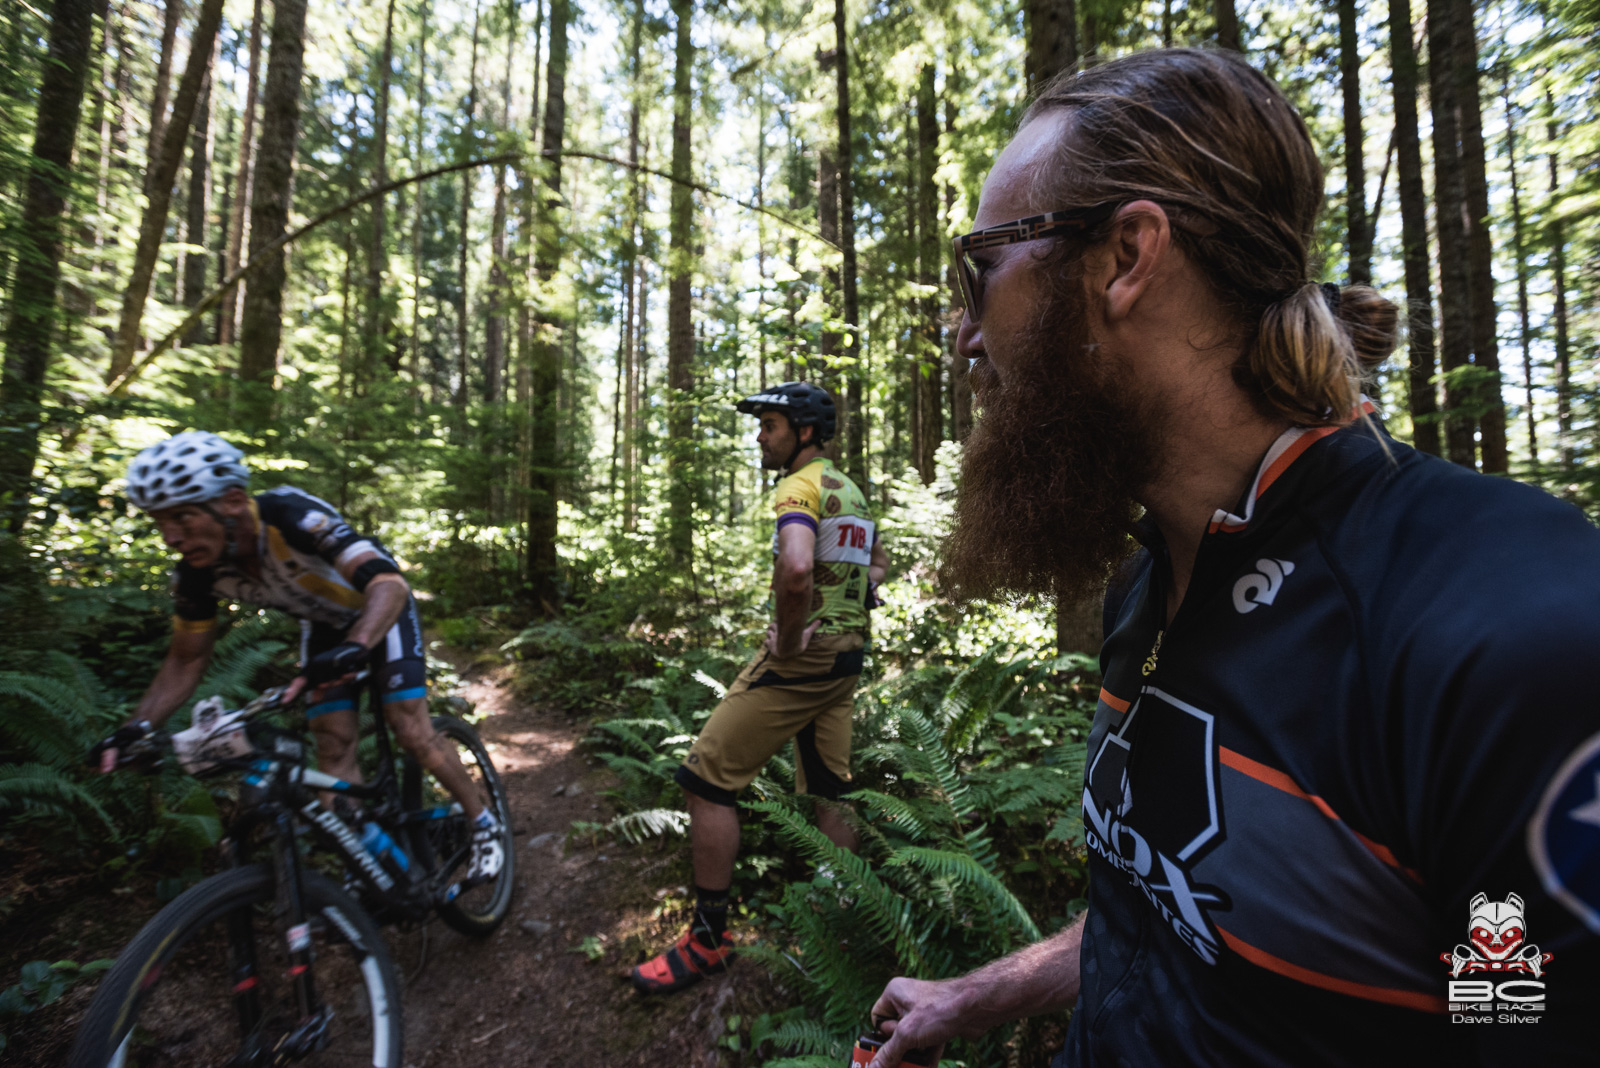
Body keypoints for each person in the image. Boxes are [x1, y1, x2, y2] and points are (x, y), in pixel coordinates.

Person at [867, 48, 1598, 1066]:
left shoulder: (1501, 630)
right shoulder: (1155, 576)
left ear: (1126, 258)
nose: (964, 333)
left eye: (981, 267)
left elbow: (1513, 1016)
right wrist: (980, 993)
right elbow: (1183, 901)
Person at [92, 431, 504, 883]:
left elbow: (387, 584)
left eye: (183, 519)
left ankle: (483, 822)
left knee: (410, 729)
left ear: (232, 501)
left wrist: (357, 645)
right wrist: (136, 727)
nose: (171, 537)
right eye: (160, 523)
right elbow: (185, 660)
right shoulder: (199, 571)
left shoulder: (292, 517)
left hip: (380, 612)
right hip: (326, 627)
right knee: (332, 747)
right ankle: (368, 865)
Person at [631, 382, 889, 995]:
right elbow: (878, 562)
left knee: (704, 780)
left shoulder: (798, 488)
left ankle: (708, 941)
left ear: (804, 432)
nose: (760, 437)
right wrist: (855, 594)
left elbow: (796, 569)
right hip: (847, 659)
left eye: (770, 426)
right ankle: (843, 920)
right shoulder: (849, 490)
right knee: (832, 791)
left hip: (804, 662)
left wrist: (792, 639)